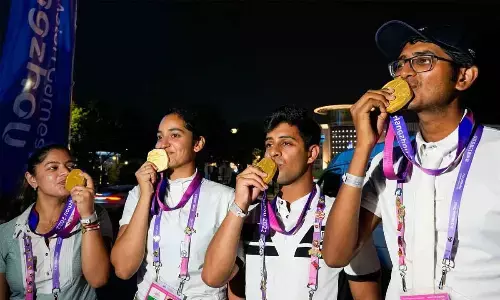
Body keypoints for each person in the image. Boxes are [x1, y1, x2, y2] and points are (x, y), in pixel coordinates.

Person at [322, 20, 500, 300]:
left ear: (463, 77)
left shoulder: (495, 153)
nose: (404, 73)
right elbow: (334, 254)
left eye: (422, 61)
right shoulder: (388, 164)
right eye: (401, 63)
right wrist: (362, 149)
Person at [202, 105, 381, 300]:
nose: (273, 153)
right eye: (269, 144)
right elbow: (213, 278)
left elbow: (367, 295)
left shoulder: (342, 216)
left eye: (286, 143)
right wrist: (238, 206)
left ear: (312, 154)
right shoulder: (248, 217)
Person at [110, 108, 235, 299]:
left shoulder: (225, 197)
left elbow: (232, 275)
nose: (163, 144)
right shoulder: (139, 193)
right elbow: (123, 269)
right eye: (160, 137)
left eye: (175, 135)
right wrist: (146, 196)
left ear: (198, 144)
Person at [0, 144, 112, 300]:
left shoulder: (95, 215)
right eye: (53, 167)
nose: (66, 172)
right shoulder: (6, 233)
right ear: (32, 179)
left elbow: (99, 279)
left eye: (70, 166)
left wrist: (87, 215)